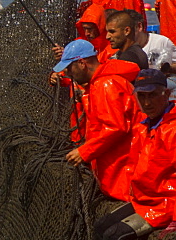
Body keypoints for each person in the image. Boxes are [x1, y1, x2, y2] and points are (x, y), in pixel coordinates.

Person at [71, 69, 176, 240]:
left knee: (114, 236)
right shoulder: (148, 123)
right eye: (141, 96)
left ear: (166, 94)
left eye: (153, 95)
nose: (146, 102)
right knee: (101, 227)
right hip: (145, 200)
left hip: (163, 206)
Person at [54, 39, 139, 201]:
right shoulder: (99, 83)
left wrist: (84, 152)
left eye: (69, 68)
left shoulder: (106, 84)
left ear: (81, 63)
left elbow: (116, 128)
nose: (69, 74)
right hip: (117, 170)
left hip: (125, 173)